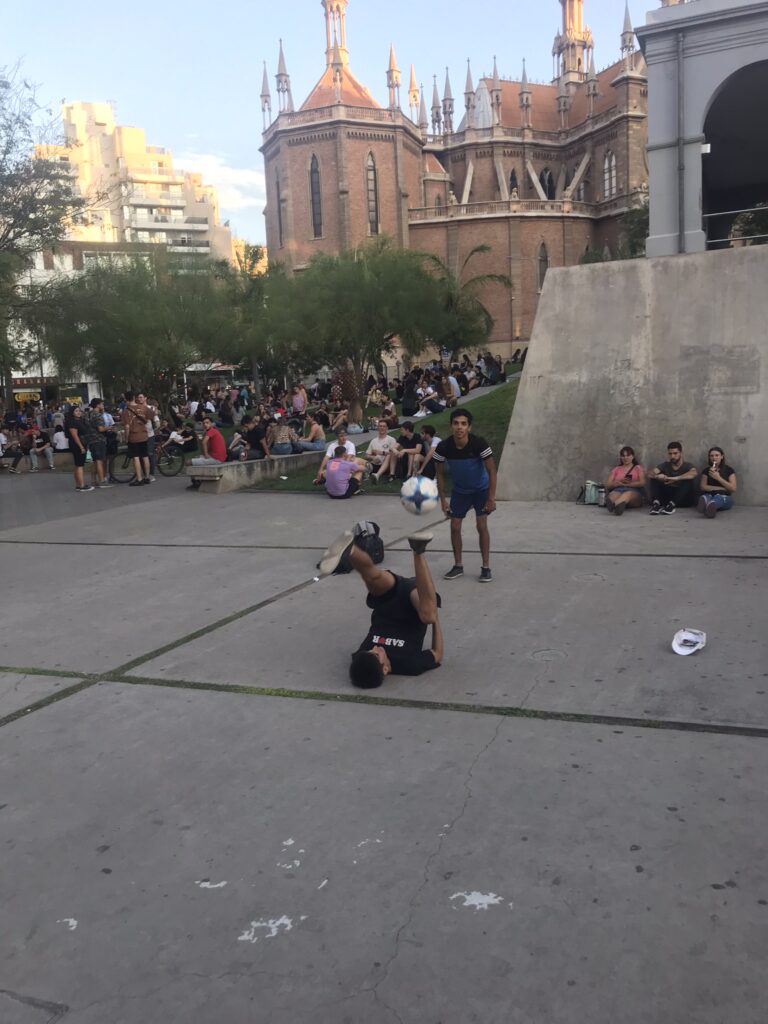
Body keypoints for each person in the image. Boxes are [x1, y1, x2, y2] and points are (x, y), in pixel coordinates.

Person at [317, 528, 442, 687]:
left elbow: (361, 662)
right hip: (417, 598)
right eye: (376, 654)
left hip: (389, 598)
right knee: (428, 615)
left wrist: (370, 655)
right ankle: (418, 549)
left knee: (373, 577)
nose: (375, 647)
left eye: (370, 651)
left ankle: (350, 549)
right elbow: (437, 654)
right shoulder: (409, 664)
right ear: (385, 669)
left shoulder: (361, 657)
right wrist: (436, 619)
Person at [434, 408, 497, 582]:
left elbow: (492, 471)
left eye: (463, 424)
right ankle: (458, 566)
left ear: (469, 427)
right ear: (450, 426)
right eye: (456, 423)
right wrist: (443, 500)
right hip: (460, 492)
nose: (459, 427)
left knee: (481, 525)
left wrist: (491, 498)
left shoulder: (479, 444)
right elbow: (439, 474)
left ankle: (486, 567)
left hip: (480, 491)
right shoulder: (443, 447)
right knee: (454, 526)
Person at [648, 441, 697, 514]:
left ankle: (671, 505)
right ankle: (656, 505)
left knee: (688, 481)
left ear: (681, 453)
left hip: (683, 500)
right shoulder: (665, 465)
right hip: (667, 499)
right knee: (654, 479)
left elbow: (693, 473)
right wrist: (657, 476)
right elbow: (650, 474)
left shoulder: (687, 465)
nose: (672, 456)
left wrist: (676, 478)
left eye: (675, 453)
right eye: (670, 454)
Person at [187, 416, 228, 490]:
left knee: (188, 462)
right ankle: (198, 481)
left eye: (207, 423)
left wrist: (206, 455)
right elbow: (204, 446)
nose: (205, 424)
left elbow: (204, 442)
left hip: (217, 459)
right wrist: (202, 437)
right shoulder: (209, 432)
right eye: (204, 423)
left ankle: (196, 483)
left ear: (212, 424)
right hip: (216, 457)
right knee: (197, 457)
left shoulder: (212, 431)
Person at [120, 390, 151, 487]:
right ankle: (147, 477)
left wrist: (126, 437)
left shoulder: (126, 411)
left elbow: (127, 427)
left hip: (133, 437)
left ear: (126, 399)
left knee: (136, 457)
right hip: (144, 436)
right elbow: (152, 417)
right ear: (134, 398)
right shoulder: (143, 407)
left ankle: (139, 478)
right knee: (145, 456)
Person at [604, 446, 646, 515]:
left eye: (628, 455)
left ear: (632, 456)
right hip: (619, 489)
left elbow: (642, 483)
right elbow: (608, 484)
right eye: (623, 456)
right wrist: (618, 483)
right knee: (613, 494)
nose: (625, 458)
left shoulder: (637, 468)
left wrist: (628, 484)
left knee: (627, 494)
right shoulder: (616, 469)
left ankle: (617, 505)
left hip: (634, 490)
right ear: (620, 457)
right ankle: (612, 502)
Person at [698, 446, 737, 518]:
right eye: (711, 456)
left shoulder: (729, 470)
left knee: (719, 499)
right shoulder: (706, 470)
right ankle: (707, 503)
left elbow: (733, 488)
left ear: (722, 457)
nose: (714, 458)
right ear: (709, 457)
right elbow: (703, 487)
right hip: (710, 494)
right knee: (706, 497)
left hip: (725, 497)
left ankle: (711, 505)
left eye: (717, 455)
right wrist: (721, 488)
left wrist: (718, 478)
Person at [65, 405, 95, 492]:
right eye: (76, 411)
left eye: (79, 411)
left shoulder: (79, 420)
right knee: (80, 465)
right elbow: (75, 436)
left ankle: (78, 485)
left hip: (81, 444)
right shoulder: (72, 422)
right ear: (72, 413)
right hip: (77, 444)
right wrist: (81, 446)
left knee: (78, 465)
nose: (78, 412)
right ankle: (81, 485)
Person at [85, 398, 113, 488]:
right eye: (101, 404)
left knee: (95, 461)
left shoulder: (87, 414)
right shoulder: (97, 415)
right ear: (97, 405)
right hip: (98, 439)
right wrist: (109, 428)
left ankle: (93, 480)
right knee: (99, 460)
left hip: (91, 440)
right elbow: (101, 429)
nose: (102, 406)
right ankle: (102, 481)